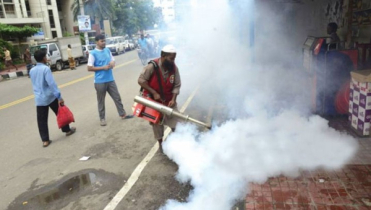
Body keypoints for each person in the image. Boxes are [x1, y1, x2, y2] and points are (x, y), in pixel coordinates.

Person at [138, 45, 181, 151]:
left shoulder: (174, 68)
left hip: (169, 100)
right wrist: (154, 92)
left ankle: (179, 143)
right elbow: (141, 80)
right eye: (171, 58)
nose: (173, 61)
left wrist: (173, 99)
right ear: (163, 56)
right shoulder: (152, 66)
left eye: (174, 58)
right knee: (157, 124)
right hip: (154, 102)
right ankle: (161, 145)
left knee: (176, 122)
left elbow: (176, 85)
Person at [30, 49, 76, 147]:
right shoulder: (45, 69)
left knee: (41, 120)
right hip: (50, 97)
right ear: (43, 58)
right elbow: (51, 84)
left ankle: (45, 140)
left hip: (39, 99)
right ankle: (67, 130)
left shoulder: (32, 70)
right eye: (46, 56)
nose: (46, 58)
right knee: (60, 113)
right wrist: (59, 97)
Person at [87, 34, 133, 126]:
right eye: (102, 41)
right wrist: (103, 67)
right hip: (100, 81)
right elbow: (89, 68)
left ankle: (122, 114)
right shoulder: (93, 53)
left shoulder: (107, 50)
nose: (104, 43)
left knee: (117, 97)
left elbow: (113, 60)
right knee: (101, 101)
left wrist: (112, 62)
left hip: (110, 79)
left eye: (104, 41)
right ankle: (102, 119)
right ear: (97, 42)